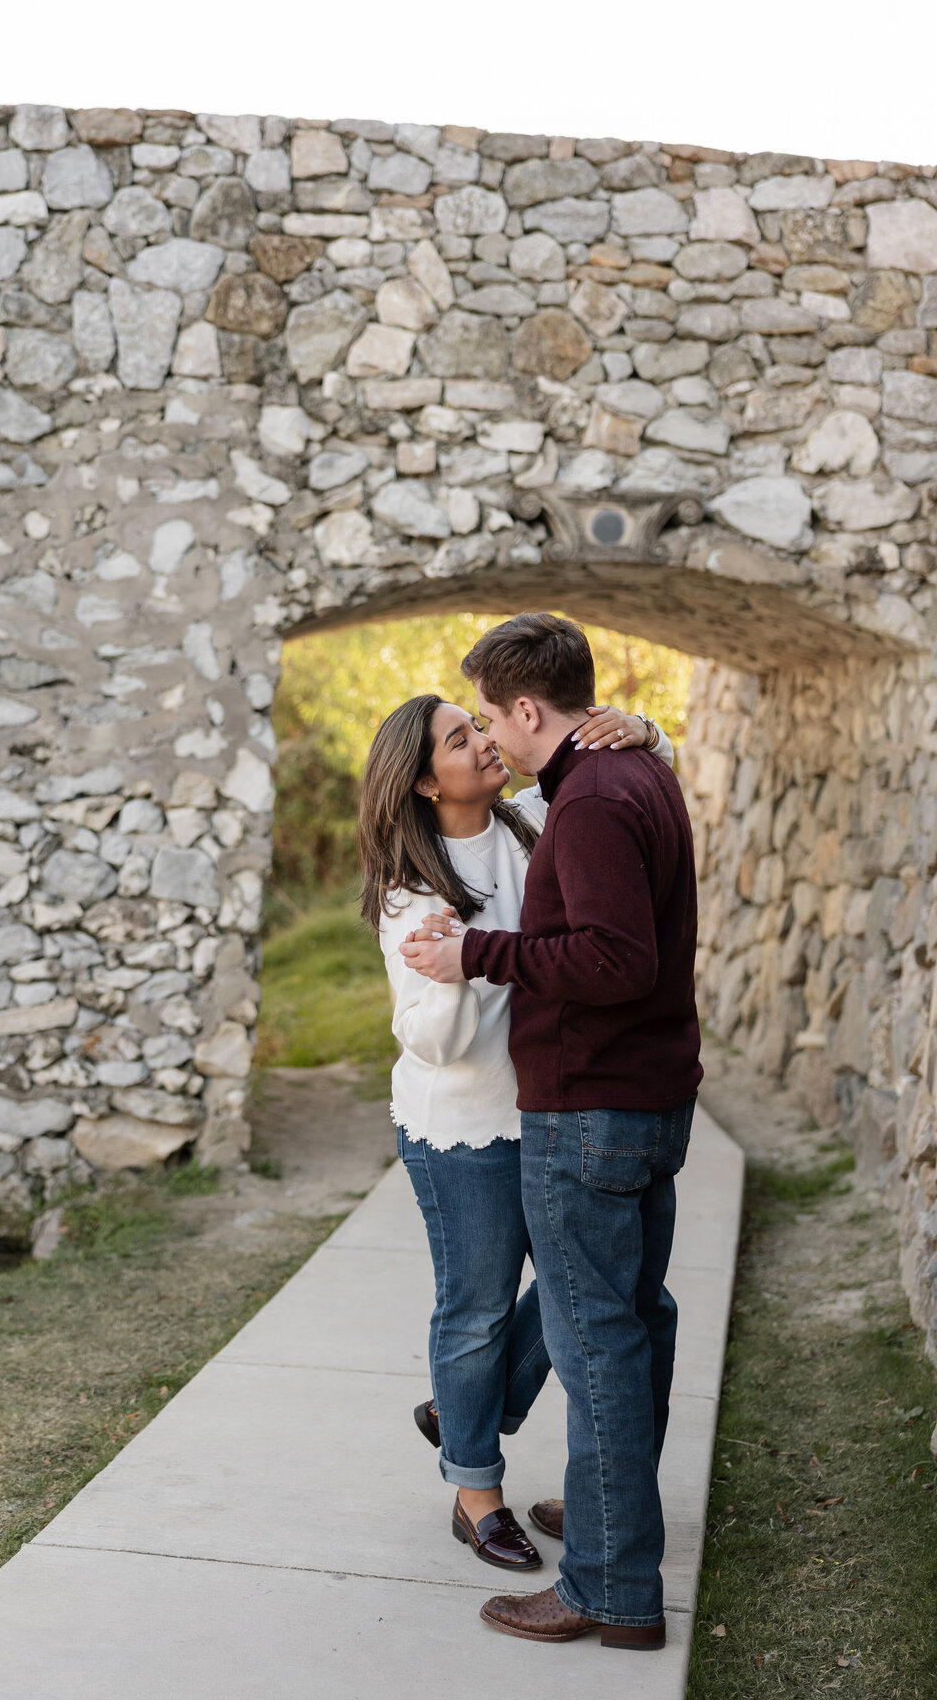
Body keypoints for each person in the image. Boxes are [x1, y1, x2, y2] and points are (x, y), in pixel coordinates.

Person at [400, 613, 702, 1651]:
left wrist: (482, 958)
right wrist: (650, 731)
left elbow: (612, 962)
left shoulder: (585, 803)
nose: (489, 733)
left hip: (591, 1108)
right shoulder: (627, 776)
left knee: (599, 1341)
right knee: (630, 1317)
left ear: (528, 709)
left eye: (490, 715)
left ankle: (611, 1587)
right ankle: (612, 1514)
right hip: (635, 1101)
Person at [360, 683, 674, 1572]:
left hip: (553, 1109)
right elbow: (429, 1042)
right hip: (463, 1127)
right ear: (426, 782)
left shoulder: (532, 819)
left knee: (591, 1295)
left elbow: (649, 775)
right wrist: (456, 970)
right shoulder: (411, 894)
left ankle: (470, 1404)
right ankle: (475, 1490)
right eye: (461, 740)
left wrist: (644, 728)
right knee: (477, 1310)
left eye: (478, 725)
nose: (485, 742)